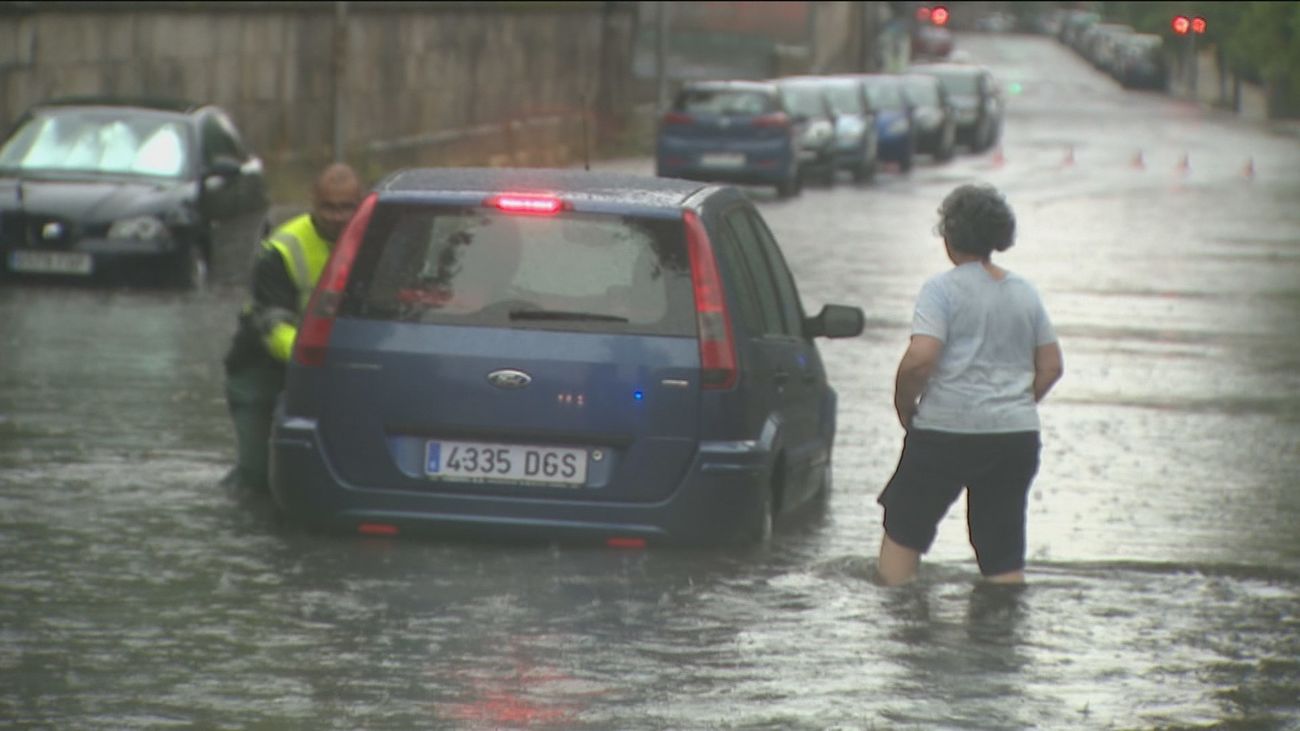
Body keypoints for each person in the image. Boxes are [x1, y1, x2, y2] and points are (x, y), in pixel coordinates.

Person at [876, 183, 1064, 586]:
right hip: (1014, 437)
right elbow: (1051, 366)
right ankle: (1003, 637)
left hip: (945, 432)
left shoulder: (941, 291)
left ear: (949, 236)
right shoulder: (1024, 293)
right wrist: (1013, 403)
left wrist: (904, 405)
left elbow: (921, 359)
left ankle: (895, 635)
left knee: (903, 532)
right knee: (1002, 549)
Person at [221, 163, 363, 492]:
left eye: (347, 207)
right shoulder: (282, 249)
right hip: (260, 369)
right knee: (256, 473)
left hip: (333, 370)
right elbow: (272, 326)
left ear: (361, 203)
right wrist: (313, 354)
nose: (338, 217)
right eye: (329, 206)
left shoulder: (373, 243)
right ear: (313, 201)